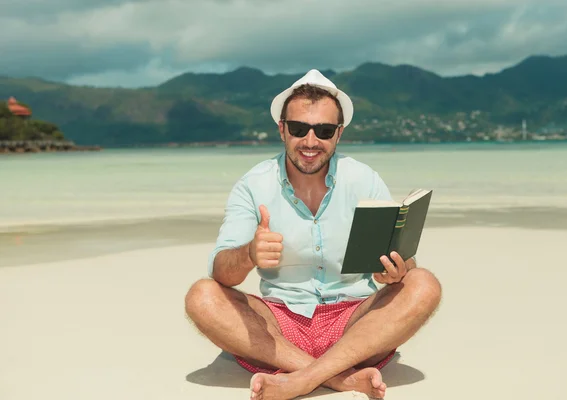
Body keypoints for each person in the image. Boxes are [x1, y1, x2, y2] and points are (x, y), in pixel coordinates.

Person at [184, 69, 442, 400]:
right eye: (298, 128)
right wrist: (249, 254)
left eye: (323, 130)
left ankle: (301, 379)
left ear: (338, 134)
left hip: (357, 320)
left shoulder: (364, 179)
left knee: (424, 283)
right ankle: (341, 379)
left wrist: (396, 269)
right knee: (201, 295)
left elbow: (405, 261)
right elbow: (221, 272)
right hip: (278, 324)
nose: (310, 141)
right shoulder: (253, 184)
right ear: (281, 129)